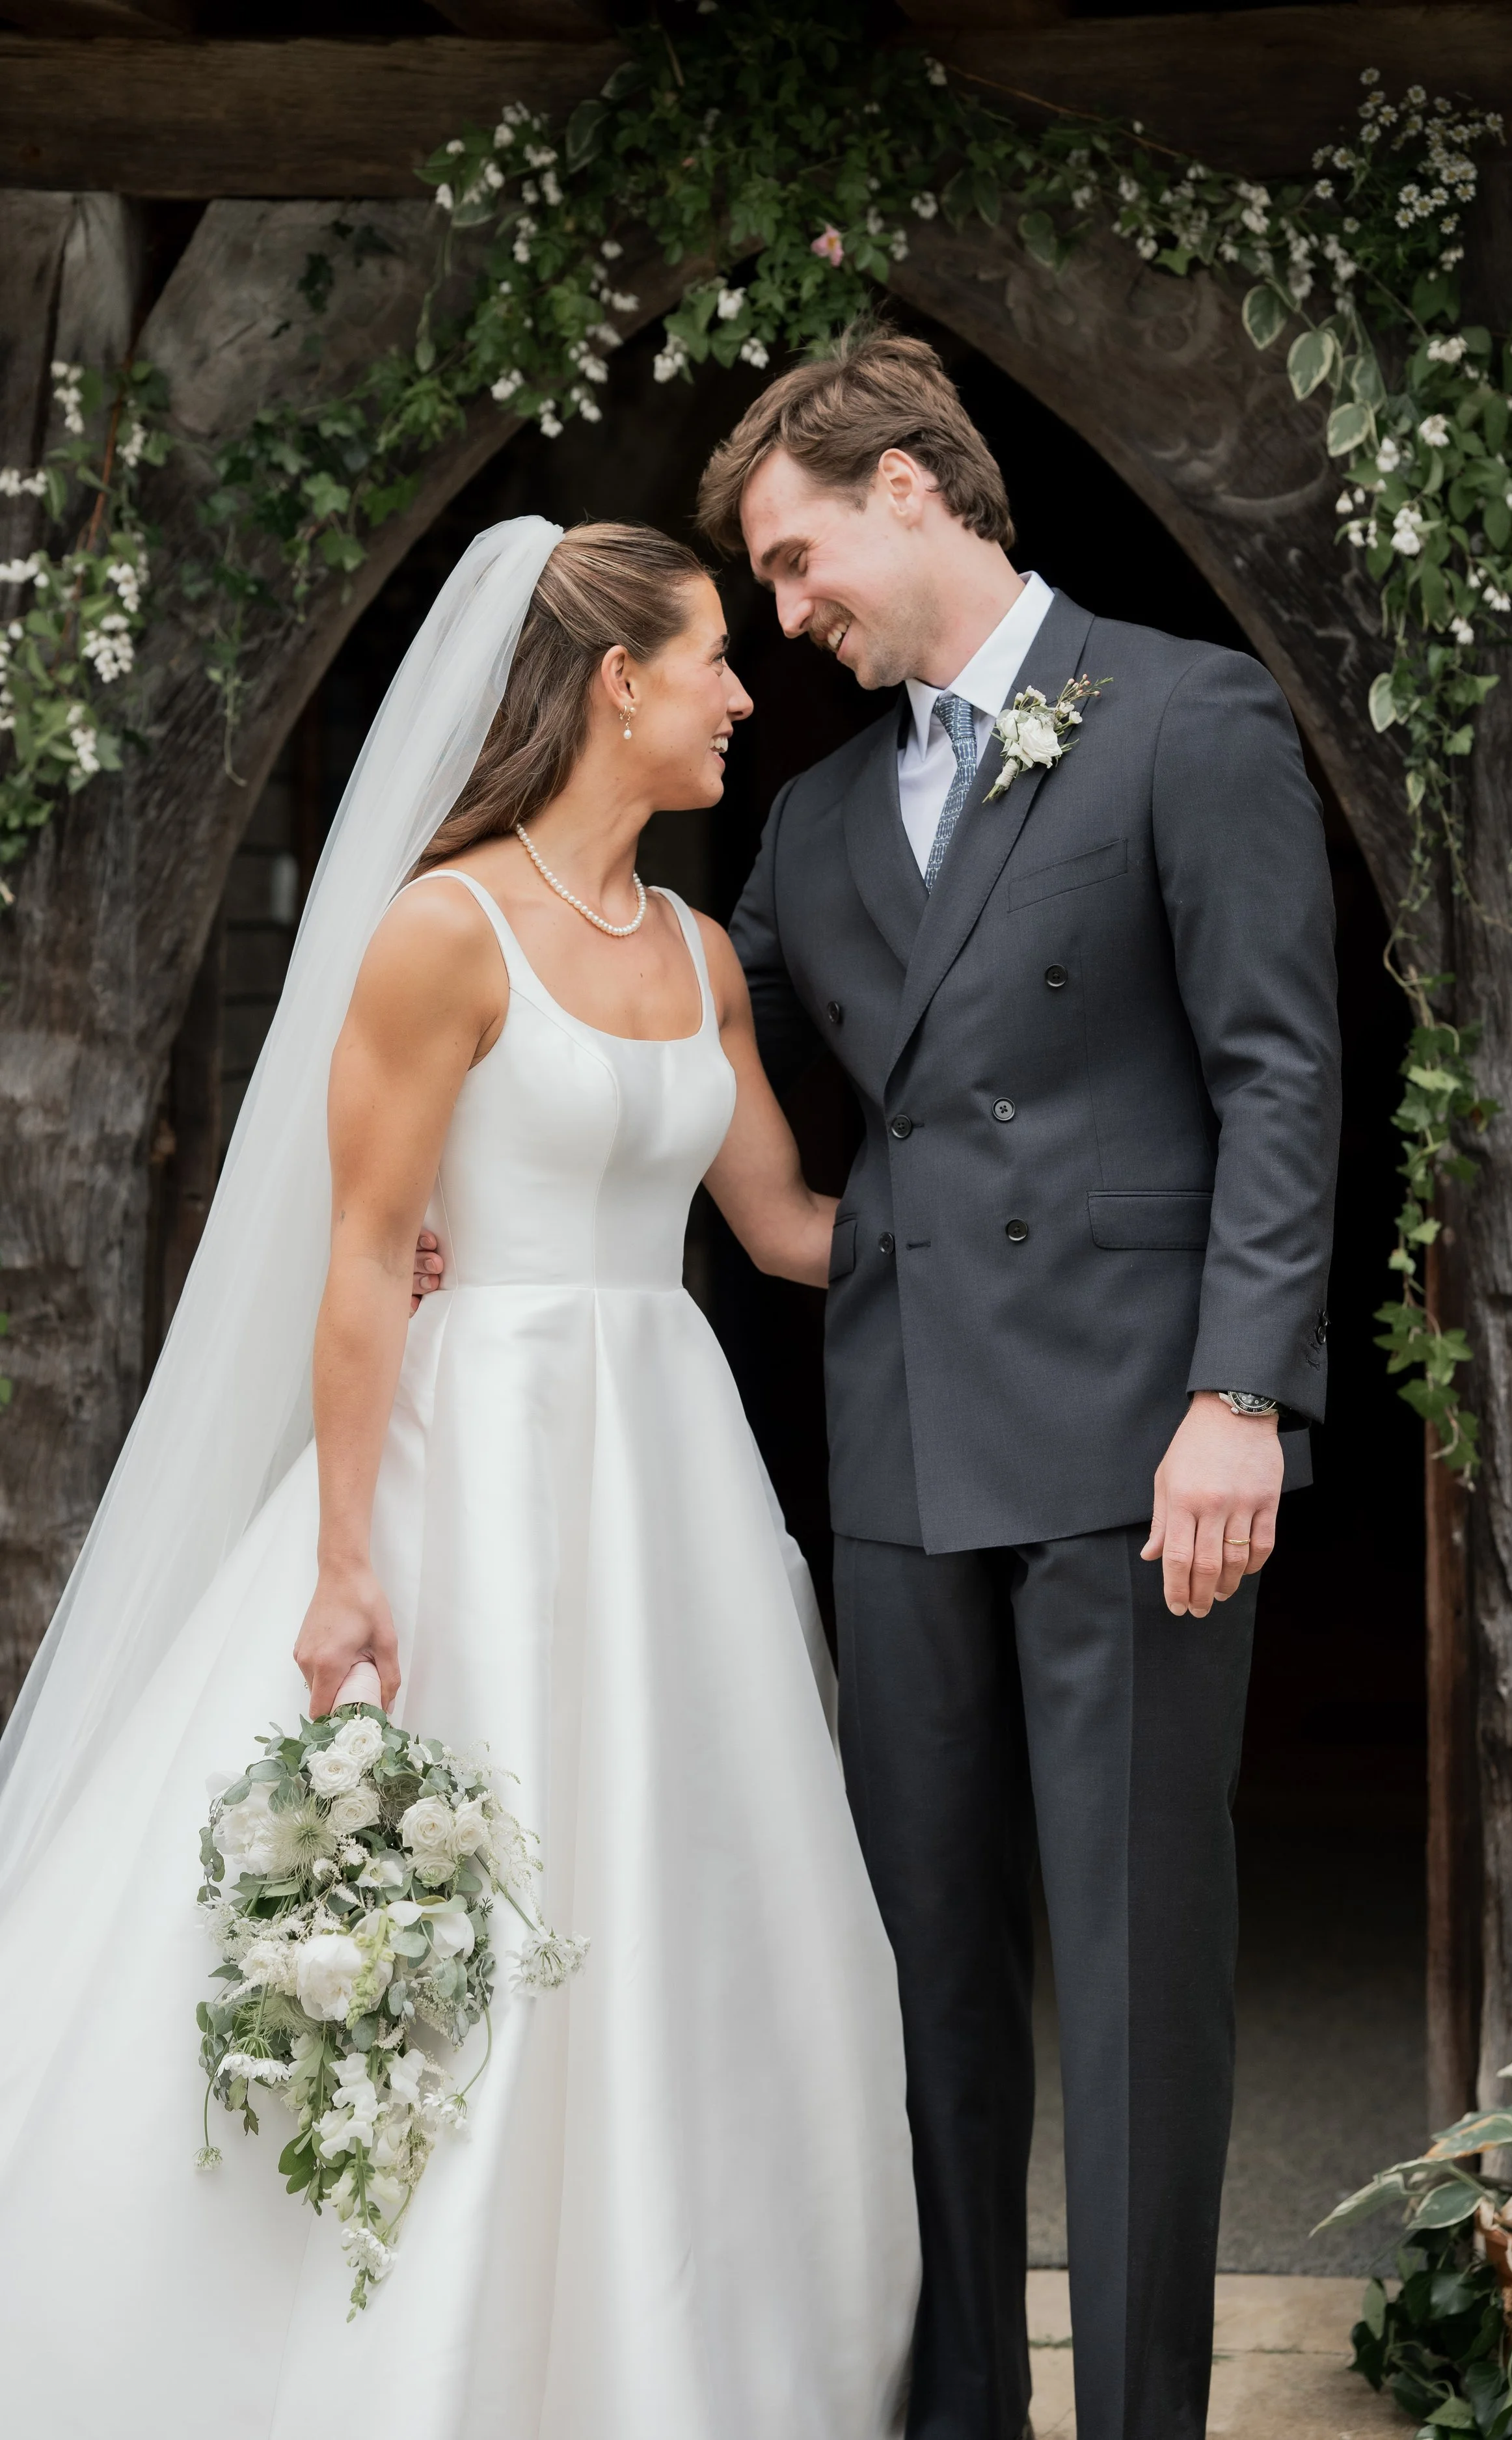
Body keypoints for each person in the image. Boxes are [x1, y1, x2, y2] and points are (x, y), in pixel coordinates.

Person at [0, 519, 919, 2437]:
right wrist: (344, 1560)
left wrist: (1046, 1220)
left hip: (662, 1471)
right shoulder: (441, 931)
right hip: (467, 1464)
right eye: (712, 660)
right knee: (461, 1908)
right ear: (613, 685)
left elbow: (777, 1226)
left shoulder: (693, 945)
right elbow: (360, 1253)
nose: (747, 695)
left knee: (685, 1886)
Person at [695, 329, 1342, 2440]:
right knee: (923, 1977)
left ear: (909, 488)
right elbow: (681, 1055)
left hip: (1136, 1450)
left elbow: (1275, 1073)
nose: (789, 615)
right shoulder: (796, 827)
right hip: (894, 1453)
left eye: (798, 561)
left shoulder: (1182, 713)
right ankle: (959, 2404)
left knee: (1139, 1970)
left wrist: (1238, 1392)